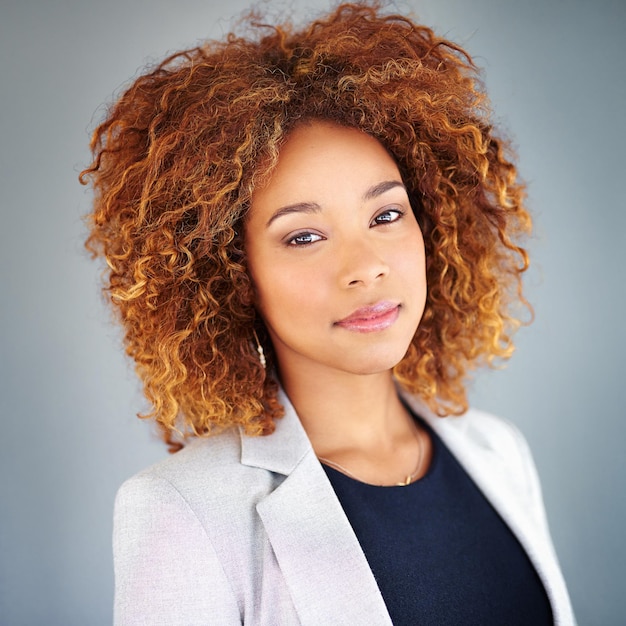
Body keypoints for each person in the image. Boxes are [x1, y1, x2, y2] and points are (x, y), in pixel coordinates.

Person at [81, 2, 575, 624]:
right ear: (233, 274)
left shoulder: (500, 455)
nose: (365, 266)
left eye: (386, 215)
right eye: (304, 236)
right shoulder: (183, 511)